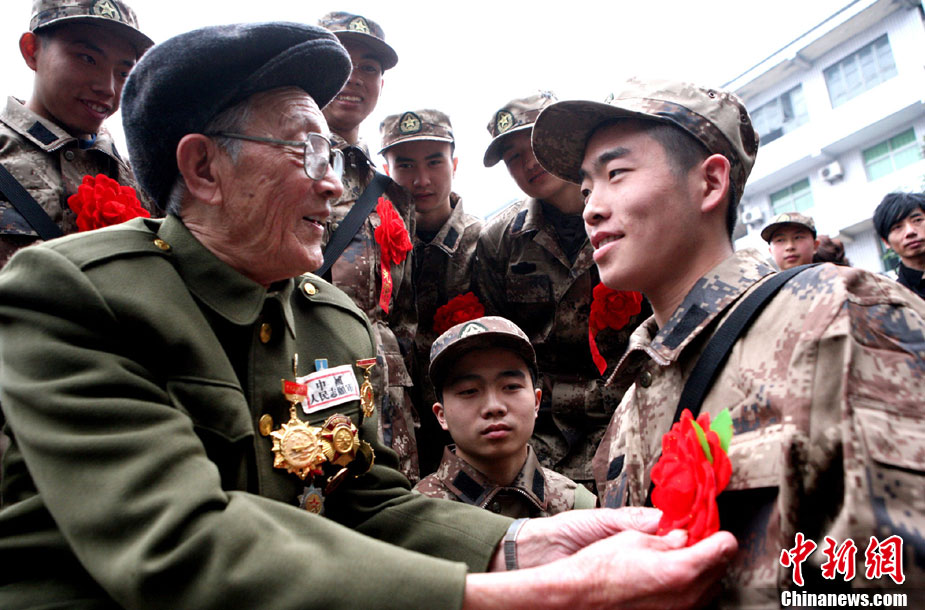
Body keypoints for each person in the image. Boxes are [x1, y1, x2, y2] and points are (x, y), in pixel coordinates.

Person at [0, 24, 740, 609]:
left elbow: (364, 500)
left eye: (329, 153)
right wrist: (527, 594)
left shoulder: (331, 323)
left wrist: (520, 544)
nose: (332, 185)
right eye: (305, 151)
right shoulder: (74, 294)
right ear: (203, 170)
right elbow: (177, 546)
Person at [531, 78, 925, 607]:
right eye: (585, 190)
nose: (592, 209)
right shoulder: (629, 408)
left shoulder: (839, 316)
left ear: (710, 182)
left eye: (616, 174)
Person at [475, 92, 648, 492]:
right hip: (541, 431)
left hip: (630, 413)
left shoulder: (624, 214)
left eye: (535, 145)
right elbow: (497, 342)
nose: (528, 162)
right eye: (513, 157)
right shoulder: (500, 240)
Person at [317, 11, 421, 483]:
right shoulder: (275, 160)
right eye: (340, 60)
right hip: (309, 375)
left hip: (385, 394)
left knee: (395, 507)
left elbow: (404, 312)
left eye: (369, 68)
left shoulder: (391, 194)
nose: (354, 77)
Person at [0, 0, 158, 268]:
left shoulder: (142, 181)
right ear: (31, 50)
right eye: (87, 59)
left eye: (123, 72)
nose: (108, 87)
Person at [379, 108, 482, 474]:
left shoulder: (486, 244)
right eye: (405, 165)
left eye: (434, 162)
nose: (421, 180)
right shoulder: (373, 246)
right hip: (393, 422)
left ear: (454, 163)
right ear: (387, 170)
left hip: (469, 425)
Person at [415, 316, 597, 516]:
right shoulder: (417, 516)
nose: (494, 407)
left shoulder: (577, 507)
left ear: (537, 402)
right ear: (441, 415)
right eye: (469, 391)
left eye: (511, 387)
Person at [873, 191, 925, 299]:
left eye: (917, 220)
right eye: (897, 227)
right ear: (886, 242)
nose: (910, 231)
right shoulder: (894, 299)